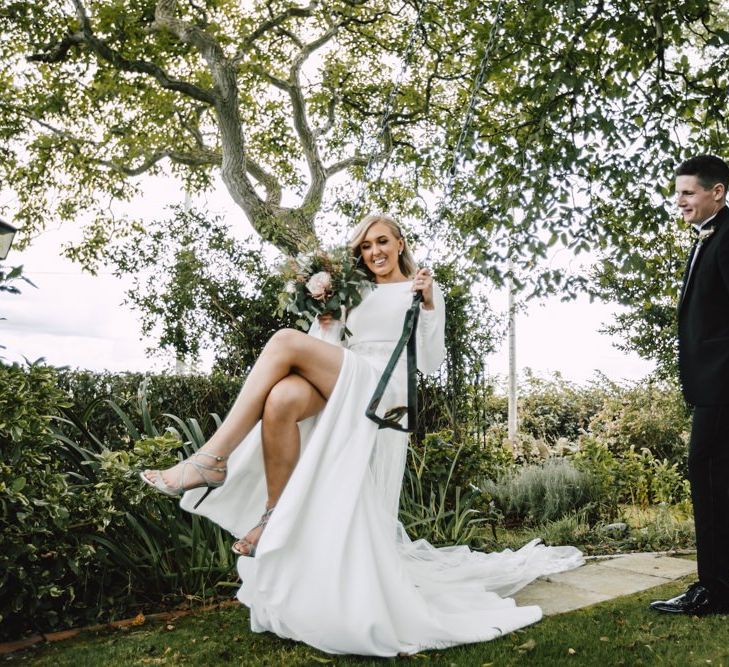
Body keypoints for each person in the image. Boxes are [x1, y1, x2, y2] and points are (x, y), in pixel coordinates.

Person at [141, 214, 583, 656]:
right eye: (366, 247)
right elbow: (330, 348)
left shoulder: (421, 288)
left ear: (399, 243)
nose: (375, 252)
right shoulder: (355, 290)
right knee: (280, 400)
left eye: (382, 242)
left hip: (380, 388)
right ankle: (272, 514)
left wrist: (428, 305)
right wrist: (328, 319)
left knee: (281, 341)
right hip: (344, 374)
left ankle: (211, 459)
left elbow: (428, 362)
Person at [651, 155, 729, 616]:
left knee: (708, 476)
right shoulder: (710, 236)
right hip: (711, 383)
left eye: (687, 192)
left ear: (716, 191)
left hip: (722, 386)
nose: (677, 200)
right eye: (677, 192)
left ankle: (713, 591)